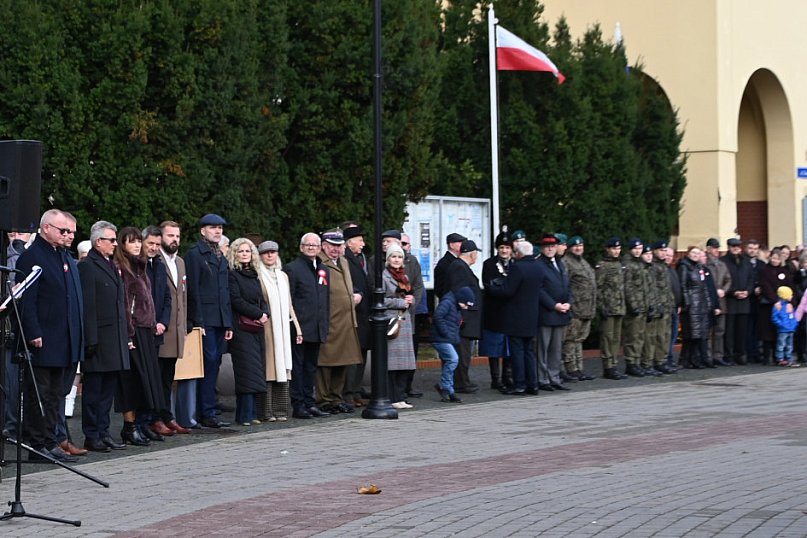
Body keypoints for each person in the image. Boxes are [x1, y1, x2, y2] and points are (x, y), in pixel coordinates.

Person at [16, 209, 83, 462]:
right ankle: (37, 443)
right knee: (39, 394)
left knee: (56, 394)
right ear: (46, 228)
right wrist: (33, 331)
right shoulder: (32, 257)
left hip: (62, 339)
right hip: (43, 338)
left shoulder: (62, 256)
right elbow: (26, 300)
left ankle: (50, 441)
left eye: (72, 233)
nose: (68, 236)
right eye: (63, 231)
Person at [79, 220, 129, 452]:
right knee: (94, 391)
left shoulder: (110, 264)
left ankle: (103, 431)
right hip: (98, 339)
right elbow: (88, 306)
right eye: (111, 240)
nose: (115, 244)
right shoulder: (88, 266)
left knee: (108, 390)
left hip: (114, 338)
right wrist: (91, 340)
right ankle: (92, 434)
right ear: (98, 242)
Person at [115, 226, 167, 446]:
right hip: (133, 331)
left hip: (146, 329)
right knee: (131, 381)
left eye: (138, 241)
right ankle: (129, 426)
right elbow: (126, 304)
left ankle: (140, 424)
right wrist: (128, 334)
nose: (136, 245)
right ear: (122, 244)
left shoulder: (140, 266)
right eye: (131, 242)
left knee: (145, 380)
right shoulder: (123, 268)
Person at [185, 213, 233, 428]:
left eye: (220, 228)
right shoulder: (196, 254)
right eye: (213, 228)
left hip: (220, 320)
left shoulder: (220, 255)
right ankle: (206, 411)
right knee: (208, 364)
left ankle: (209, 408)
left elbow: (225, 291)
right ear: (202, 230)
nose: (217, 231)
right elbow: (194, 290)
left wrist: (228, 322)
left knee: (214, 364)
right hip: (206, 321)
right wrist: (199, 321)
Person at [486, 240, 542, 395]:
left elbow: (508, 291)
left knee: (517, 351)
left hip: (516, 316)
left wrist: (492, 289)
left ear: (519, 253)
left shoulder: (518, 267)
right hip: (532, 315)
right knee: (529, 351)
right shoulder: (538, 267)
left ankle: (520, 384)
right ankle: (533, 384)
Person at [284, 232, 330, 419]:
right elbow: (289, 300)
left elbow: (326, 299)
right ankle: (298, 404)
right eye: (307, 245)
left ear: (320, 248)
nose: (311, 248)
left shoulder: (323, 269)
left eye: (315, 245)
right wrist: (294, 326)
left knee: (311, 367)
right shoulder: (292, 269)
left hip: (317, 327)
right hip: (300, 328)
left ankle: (310, 403)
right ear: (301, 247)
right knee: (298, 366)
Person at [316, 229, 362, 414]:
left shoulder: (344, 261)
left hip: (346, 321)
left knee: (343, 362)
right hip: (330, 320)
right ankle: (323, 400)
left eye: (339, 246)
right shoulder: (320, 263)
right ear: (324, 246)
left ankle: (336, 398)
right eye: (332, 246)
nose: (336, 249)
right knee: (325, 364)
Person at [257, 240, 302, 422]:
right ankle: (266, 411)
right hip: (267, 326)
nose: (270, 255)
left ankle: (281, 410)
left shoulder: (283, 276)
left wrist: (297, 328)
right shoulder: (258, 275)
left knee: (283, 367)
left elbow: (289, 305)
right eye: (266, 252)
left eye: (273, 252)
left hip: (283, 327)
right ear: (260, 256)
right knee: (269, 367)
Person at [227, 238, 270, 426]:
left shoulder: (254, 274)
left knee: (256, 369)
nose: (245, 254)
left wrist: (265, 312)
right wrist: (258, 313)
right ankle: (244, 414)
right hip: (241, 327)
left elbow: (260, 298)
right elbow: (236, 299)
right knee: (246, 370)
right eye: (241, 251)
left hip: (256, 327)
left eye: (248, 251)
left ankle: (252, 413)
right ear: (234, 254)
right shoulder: (233, 275)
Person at [141, 225, 175, 439]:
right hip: (143, 329)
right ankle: (143, 422)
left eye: (156, 244)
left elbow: (166, 298)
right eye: (150, 244)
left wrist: (162, 321)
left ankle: (153, 419)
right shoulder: (138, 265)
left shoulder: (159, 266)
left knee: (156, 378)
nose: (153, 248)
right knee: (144, 379)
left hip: (157, 329)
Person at [157, 221, 191, 433]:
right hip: (162, 327)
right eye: (170, 235)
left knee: (169, 376)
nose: (174, 240)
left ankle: (167, 416)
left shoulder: (180, 262)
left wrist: (184, 324)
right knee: (158, 376)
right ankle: (157, 416)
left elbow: (183, 296)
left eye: (177, 236)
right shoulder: (155, 261)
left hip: (177, 329)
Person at [535, 233, 572, 391]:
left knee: (556, 349)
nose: (550, 249)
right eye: (546, 247)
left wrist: (569, 302)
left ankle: (554, 377)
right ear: (542, 248)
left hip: (561, 312)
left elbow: (567, 286)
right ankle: (542, 379)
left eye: (552, 246)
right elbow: (539, 290)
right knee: (543, 348)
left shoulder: (560, 263)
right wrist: (554, 305)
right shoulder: (539, 264)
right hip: (546, 312)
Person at [382, 244, 417, 409]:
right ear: (388, 259)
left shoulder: (405, 277)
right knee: (392, 364)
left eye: (400, 257)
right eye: (393, 256)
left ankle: (401, 396)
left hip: (404, 320)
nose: (397, 260)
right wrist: (401, 302)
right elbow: (381, 299)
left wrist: (410, 301)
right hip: (392, 322)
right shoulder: (383, 276)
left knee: (405, 364)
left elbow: (409, 295)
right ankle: (393, 397)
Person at [480, 227, 515, 389]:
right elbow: (489, 285)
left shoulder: (516, 264)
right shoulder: (489, 264)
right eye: (501, 247)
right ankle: (495, 378)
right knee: (494, 346)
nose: (504, 251)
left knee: (509, 345)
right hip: (494, 311)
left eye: (507, 248)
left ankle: (508, 376)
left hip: (511, 311)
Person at [447, 239, 483, 393]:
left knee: (464, 350)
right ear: (472, 254)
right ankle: (461, 382)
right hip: (464, 317)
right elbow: (460, 291)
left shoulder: (460, 266)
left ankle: (462, 380)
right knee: (462, 351)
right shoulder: (459, 268)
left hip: (466, 317)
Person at [341, 226, 371, 407]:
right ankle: (347, 393)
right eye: (359, 240)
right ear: (349, 242)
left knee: (361, 355)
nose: (363, 244)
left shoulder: (360, 259)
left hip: (363, 315)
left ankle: (355, 390)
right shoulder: (345, 259)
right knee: (352, 357)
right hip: (353, 315)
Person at [431, 286, 475, 403]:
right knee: (453, 359)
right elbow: (438, 316)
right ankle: (445, 386)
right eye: (466, 304)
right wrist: (445, 332)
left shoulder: (454, 305)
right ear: (461, 299)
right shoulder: (448, 302)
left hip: (444, 338)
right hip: (441, 338)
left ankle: (449, 390)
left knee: (450, 361)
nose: (466, 307)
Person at [562, 236, 597, 381]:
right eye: (575, 246)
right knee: (571, 339)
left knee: (579, 339)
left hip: (586, 309)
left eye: (581, 245)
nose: (578, 248)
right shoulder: (566, 262)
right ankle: (571, 368)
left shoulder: (583, 262)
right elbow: (565, 285)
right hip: (575, 308)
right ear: (570, 247)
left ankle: (579, 368)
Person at [596, 237, 628, 380]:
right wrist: (601, 306)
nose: (616, 251)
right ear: (608, 249)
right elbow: (598, 287)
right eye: (614, 249)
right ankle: (608, 366)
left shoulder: (620, 265)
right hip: (608, 307)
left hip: (619, 307)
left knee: (616, 338)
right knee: (608, 338)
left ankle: (614, 364)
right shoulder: (603, 266)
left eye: (618, 248)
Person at [677, 246, 714, 368]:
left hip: (701, 305)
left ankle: (693, 359)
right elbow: (682, 286)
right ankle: (687, 359)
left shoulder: (699, 267)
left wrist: (708, 302)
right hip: (692, 305)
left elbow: (704, 287)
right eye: (693, 252)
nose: (695, 255)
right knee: (691, 334)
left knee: (699, 334)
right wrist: (687, 303)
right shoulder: (684, 266)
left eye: (698, 253)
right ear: (688, 253)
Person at [757, 248, 793, 365]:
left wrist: (789, 302)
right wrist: (774, 300)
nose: (775, 260)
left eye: (778, 258)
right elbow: (765, 286)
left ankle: (778, 357)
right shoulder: (764, 270)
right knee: (766, 331)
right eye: (773, 258)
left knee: (779, 331)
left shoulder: (784, 271)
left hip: (783, 305)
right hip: (768, 305)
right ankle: (766, 357)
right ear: (770, 258)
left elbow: (789, 286)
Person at [721, 238, 753, 365]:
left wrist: (747, 291)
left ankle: (741, 354)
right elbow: (723, 281)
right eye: (733, 246)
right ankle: (729, 355)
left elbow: (751, 279)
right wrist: (733, 292)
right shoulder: (723, 262)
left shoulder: (746, 262)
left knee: (742, 330)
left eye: (738, 246)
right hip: (730, 301)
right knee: (729, 331)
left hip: (744, 301)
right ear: (728, 247)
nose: (736, 248)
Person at [400, 232, 424, 399]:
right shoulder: (386, 261)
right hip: (394, 314)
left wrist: (412, 301)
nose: (403, 247)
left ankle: (408, 385)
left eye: (406, 244)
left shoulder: (412, 261)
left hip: (410, 313)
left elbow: (418, 286)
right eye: (401, 243)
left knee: (411, 352)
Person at [622, 238, 649, 377]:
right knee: (632, 337)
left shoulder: (641, 264)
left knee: (639, 336)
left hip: (642, 305)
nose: (638, 251)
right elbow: (627, 287)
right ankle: (631, 363)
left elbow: (645, 287)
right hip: (634, 307)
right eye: (635, 248)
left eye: (640, 248)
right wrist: (632, 305)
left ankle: (637, 362)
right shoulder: (628, 264)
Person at [705, 238, 732, 366]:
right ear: (708, 249)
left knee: (720, 330)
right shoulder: (705, 264)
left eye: (717, 248)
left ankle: (718, 355)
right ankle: (708, 355)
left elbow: (728, 279)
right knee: (709, 331)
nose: (717, 251)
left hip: (721, 301)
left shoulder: (722, 265)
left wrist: (723, 290)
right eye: (714, 248)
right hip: (709, 301)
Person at [434, 232, 466, 299]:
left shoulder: (457, 261)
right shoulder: (445, 263)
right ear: (451, 245)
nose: (463, 245)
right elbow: (440, 288)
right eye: (460, 242)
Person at [772, 286, 798, 366]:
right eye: (790, 295)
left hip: (791, 329)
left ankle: (788, 358)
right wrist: (782, 325)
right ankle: (780, 359)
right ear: (785, 295)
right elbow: (774, 318)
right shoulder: (778, 306)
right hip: (783, 330)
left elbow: (793, 316)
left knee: (789, 345)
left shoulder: (790, 305)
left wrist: (794, 324)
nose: (792, 296)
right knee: (781, 344)